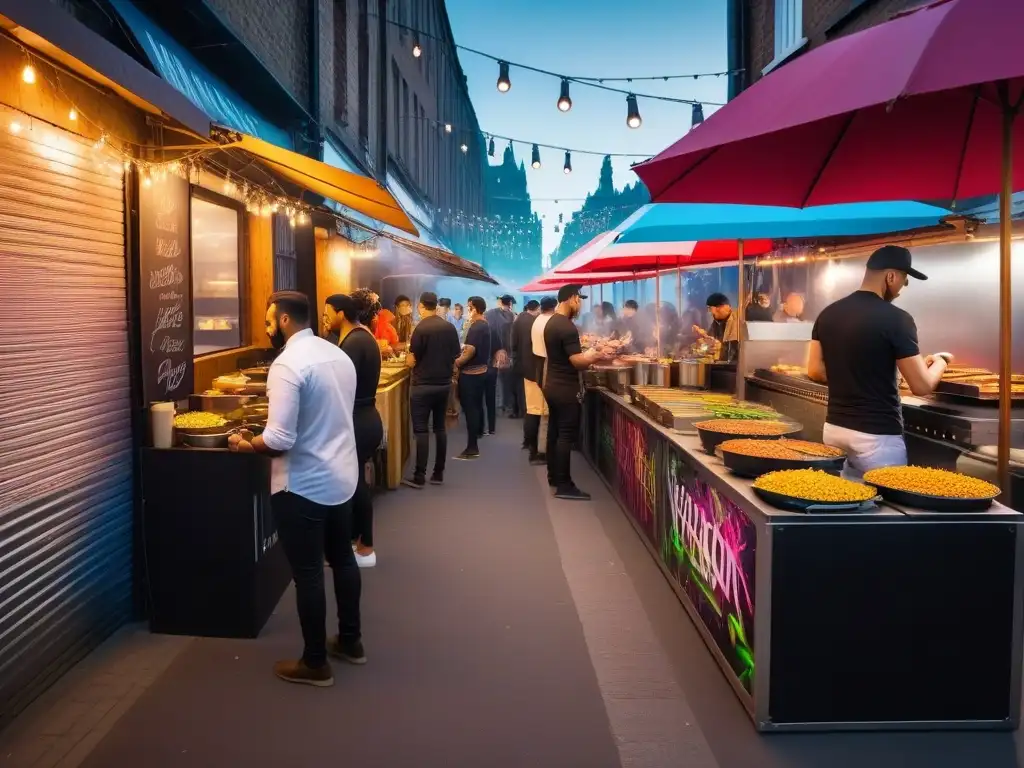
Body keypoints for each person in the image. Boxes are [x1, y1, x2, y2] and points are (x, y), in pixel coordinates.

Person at [228, 291, 362, 687]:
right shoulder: (338, 354)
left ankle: (315, 661)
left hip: (303, 484)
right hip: (342, 476)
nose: (268, 327)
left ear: (284, 320)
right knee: (343, 559)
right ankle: (352, 641)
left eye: (269, 321)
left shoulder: (287, 364)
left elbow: (279, 438)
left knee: (307, 575)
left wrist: (244, 444)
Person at [807, 245, 952, 480]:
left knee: (846, 502)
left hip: (835, 429)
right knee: (884, 512)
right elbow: (922, 386)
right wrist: (941, 361)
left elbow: (814, 369)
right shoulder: (897, 319)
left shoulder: (828, 313)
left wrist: (856, 375)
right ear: (891, 276)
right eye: (904, 282)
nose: (901, 291)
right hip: (877, 437)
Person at [323, 292, 384, 569]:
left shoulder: (354, 342)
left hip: (358, 420)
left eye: (327, 314)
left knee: (355, 485)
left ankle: (365, 547)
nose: (324, 319)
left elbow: (337, 384)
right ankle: (354, 542)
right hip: (366, 417)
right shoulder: (362, 335)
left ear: (340, 314)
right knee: (354, 482)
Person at [543, 285, 610, 500]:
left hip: (552, 386)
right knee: (565, 436)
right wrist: (599, 354)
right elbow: (577, 362)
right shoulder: (566, 327)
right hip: (565, 389)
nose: (580, 304)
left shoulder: (552, 322)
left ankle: (553, 476)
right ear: (571, 299)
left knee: (554, 432)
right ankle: (564, 485)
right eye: (579, 300)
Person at [403, 291, 462, 488]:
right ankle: (438, 473)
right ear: (435, 306)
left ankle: (419, 476)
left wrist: (408, 360)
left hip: (422, 386)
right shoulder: (449, 327)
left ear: (421, 307)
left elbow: (412, 360)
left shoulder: (420, 329)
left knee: (421, 430)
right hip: (443, 385)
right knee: (439, 428)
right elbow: (456, 354)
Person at [454, 297, 491, 460]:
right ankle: (475, 440)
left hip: (471, 375)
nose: (467, 310)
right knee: (476, 407)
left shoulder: (477, 327)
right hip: (481, 372)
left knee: (471, 410)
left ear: (475, 309)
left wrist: (456, 363)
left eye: (469, 307)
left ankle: (472, 447)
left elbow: (470, 351)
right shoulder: (485, 325)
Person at [525, 297, 556, 464]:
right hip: (543, 370)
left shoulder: (537, 320)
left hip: (533, 369)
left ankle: (533, 448)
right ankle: (540, 452)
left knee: (534, 411)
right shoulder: (548, 322)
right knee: (543, 414)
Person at [511, 300, 541, 451]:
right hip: (533, 370)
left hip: (519, 367)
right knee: (533, 408)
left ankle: (527, 440)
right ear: (537, 308)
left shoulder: (517, 320)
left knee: (525, 404)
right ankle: (532, 443)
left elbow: (513, 344)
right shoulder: (535, 322)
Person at [485, 294, 517, 423]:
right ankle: (506, 405)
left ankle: (497, 405)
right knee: (506, 380)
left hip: (492, 350)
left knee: (496, 379)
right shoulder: (511, 316)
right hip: (506, 351)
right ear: (510, 304)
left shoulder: (489, 313)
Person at [693, 293, 738, 362]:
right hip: (721, 363)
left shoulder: (738, 320)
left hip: (735, 365)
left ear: (720, 307)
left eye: (710, 308)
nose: (710, 312)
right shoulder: (716, 321)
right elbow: (710, 339)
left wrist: (721, 347)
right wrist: (703, 340)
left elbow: (736, 348)